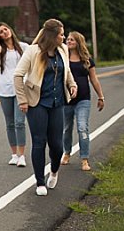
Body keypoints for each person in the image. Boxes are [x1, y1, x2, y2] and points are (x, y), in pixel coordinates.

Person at [13, 19, 77, 197]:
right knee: (39, 142)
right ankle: (40, 181)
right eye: (61, 35)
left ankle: (54, 171)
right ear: (51, 36)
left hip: (58, 103)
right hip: (37, 103)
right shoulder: (33, 51)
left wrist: (72, 85)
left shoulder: (63, 50)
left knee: (57, 145)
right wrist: (22, 100)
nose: (63, 38)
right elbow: (18, 75)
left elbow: (67, 71)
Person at [61, 31, 105, 171]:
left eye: (72, 40)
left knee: (82, 128)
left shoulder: (86, 59)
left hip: (83, 99)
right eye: (67, 39)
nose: (69, 41)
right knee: (66, 128)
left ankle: (84, 159)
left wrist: (100, 96)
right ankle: (66, 153)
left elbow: (93, 79)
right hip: (66, 99)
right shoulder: (62, 57)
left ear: (78, 42)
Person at [0, 22, 29, 167]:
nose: (4, 32)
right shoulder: (0, 49)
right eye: (0, 32)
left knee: (20, 122)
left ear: (10, 30)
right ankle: (14, 154)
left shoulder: (23, 47)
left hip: (20, 89)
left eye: (5, 29)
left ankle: (22, 155)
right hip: (4, 90)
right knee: (10, 123)